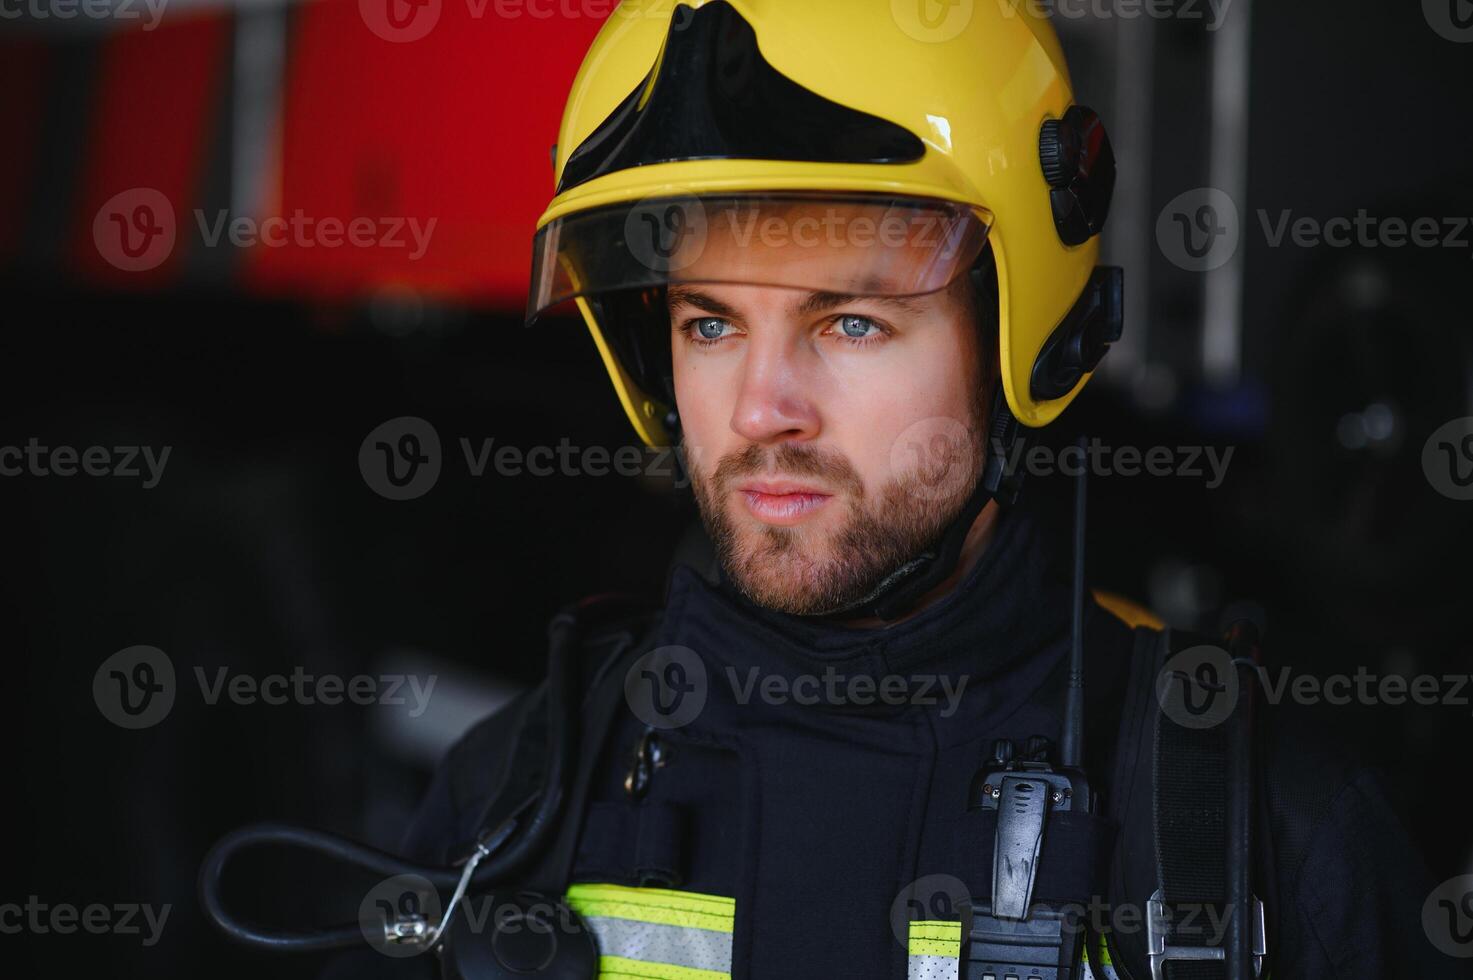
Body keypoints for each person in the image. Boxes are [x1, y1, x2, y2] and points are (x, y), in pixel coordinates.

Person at [379, 2, 1457, 978]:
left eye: (851, 322)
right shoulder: (512, 807)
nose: (762, 411)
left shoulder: (1267, 842)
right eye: (711, 323)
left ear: (1020, 337)